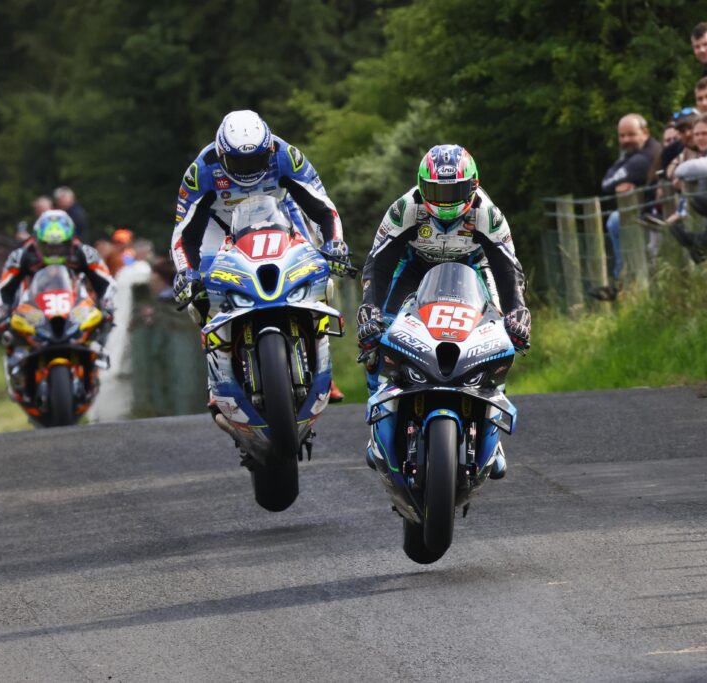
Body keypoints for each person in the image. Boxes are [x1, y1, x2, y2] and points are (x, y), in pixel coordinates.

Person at [356, 144, 529, 477]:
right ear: (422, 187)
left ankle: (492, 428)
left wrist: (517, 313)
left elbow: (509, 271)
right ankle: (379, 420)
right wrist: (369, 309)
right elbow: (377, 264)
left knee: (499, 338)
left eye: (456, 191)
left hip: (474, 268)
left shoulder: (487, 214)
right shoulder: (405, 208)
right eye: (437, 191)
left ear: (474, 186)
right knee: (379, 336)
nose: (446, 201)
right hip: (414, 269)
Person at [169, 109, 351, 403]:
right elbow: (184, 232)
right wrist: (186, 272)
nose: (247, 168)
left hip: (280, 215)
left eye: (255, 159)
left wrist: (334, 245)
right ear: (221, 153)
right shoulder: (201, 170)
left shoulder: (286, 155)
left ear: (268, 149)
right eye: (238, 161)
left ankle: (323, 366)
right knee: (201, 295)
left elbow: (323, 208)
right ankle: (219, 375)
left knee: (319, 274)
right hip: (222, 229)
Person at [0, 209, 116, 358]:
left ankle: (92, 369)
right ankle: (19, 370)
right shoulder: (22, 255)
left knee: (97, 342)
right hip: (33, 310)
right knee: (15, 346)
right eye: (49, 246)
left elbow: (106, 282)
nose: (54, 251)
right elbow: (4, 288)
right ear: (37, 241)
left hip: (75, 308)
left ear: (70, 241)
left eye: (60, 246)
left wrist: (107, 307)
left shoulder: (85, 252)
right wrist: (2, 314)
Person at [595, 114, 661, 290]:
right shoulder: (632, 154)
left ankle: (623, 276)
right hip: (644, 212)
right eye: (622, 136)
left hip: (651, 214)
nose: (625, 140)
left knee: (616, 221)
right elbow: (608, 179)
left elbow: (607, 183)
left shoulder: (643, 157)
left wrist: (619, 172)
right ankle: (625, 278)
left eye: (631, 134)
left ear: (645, 132)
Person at [667, 112, 707, 263]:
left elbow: (688, 169)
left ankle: (703, 243)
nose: (700, 138)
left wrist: (678, 169)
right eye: (697, 134)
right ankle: (701, 243)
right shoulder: (704, 156)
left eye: (705, 133)